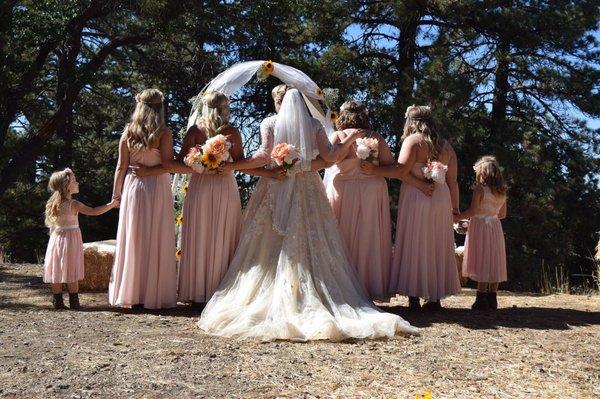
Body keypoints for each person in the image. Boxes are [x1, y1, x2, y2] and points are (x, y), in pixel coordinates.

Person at [197, 89, 417, 341]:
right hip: (307, 186)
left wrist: (236, 165)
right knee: (313, 242)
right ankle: (308, 295)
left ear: (278, 103)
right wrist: (338, 146)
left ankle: (283, 294)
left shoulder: (269, 122)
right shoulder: (313, 124)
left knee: (269, 243)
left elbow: (263, 155)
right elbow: (330, 159)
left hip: (275, 184)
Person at [108, 89, 178, 310]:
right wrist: (150, 172)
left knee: (134, 237)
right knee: (154, 236)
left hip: (133, 187)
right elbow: (167, 164)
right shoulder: (164, 133)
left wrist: (116, 194)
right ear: (160, 108)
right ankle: (152, 294)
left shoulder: (129, 131)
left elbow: (120, 167)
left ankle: (133, 293)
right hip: (156, 186)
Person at [43, 168, 118, 309]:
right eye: (74, 180)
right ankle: (74, 302)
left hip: (56, 240)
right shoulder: (74, 204)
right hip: (70, 240)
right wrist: (112, 205)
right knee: (71, 269)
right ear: (66, 186)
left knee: (57, 270)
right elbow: (94, 211)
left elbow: (52, 227)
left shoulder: (52, 204)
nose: (77, 183)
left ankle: (57, 301)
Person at [455, 155, 507, 310]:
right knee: (493, 259)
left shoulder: (479, 189)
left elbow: (472, 211)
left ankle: (481, 298)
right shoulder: (502, 190)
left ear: (482, 172)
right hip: (495, 226)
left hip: (480, 227)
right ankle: (492, 297)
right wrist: (489, 214)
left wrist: (456, 217)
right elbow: (503, 214)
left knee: (482, 258)